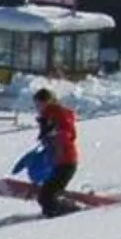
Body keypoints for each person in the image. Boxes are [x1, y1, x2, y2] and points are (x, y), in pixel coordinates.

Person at [30, 87, 80, 215]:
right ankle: (62, 208)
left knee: (46, 196)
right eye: (36, 105)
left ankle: (67, 213)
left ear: (47, 102)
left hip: (67, 161)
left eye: (39, 104)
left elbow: (69, 133)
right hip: (58, 162)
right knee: (46, 195)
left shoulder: (57, 113)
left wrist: (56, 133)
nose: (37, 108)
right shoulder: (46, 118)